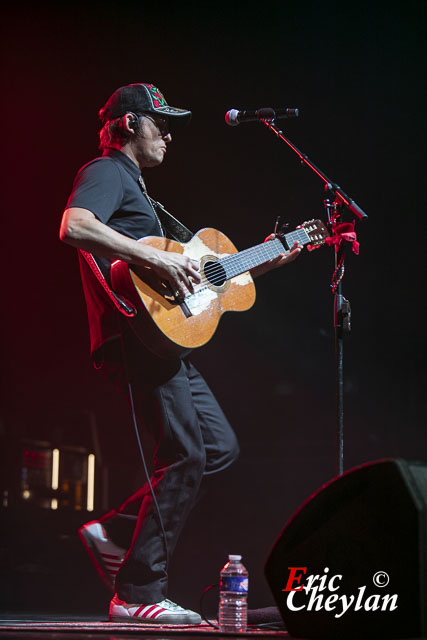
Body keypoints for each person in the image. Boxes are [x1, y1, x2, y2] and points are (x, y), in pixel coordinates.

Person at [60, 82, 301, 625]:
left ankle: (118, 531)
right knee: (187, 455)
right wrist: (159, 261)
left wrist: (271, 255)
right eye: (160, 123)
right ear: (128, 124)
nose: (169, 135)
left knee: (217, 447)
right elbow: (74, 225)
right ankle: (137, 592)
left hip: (166, 338)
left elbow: (208, 277)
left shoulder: (139, 190)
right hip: (137, 337)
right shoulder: (106, 172)